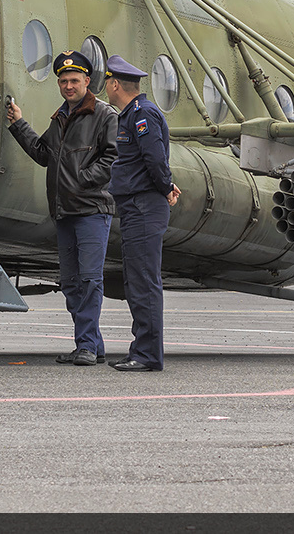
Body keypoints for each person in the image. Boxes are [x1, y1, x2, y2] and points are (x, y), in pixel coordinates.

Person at [6, 50, 118, 366]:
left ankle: (85, 344)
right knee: (70, 282)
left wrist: (82, 179)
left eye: (74, 80)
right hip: (65, 212)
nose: (69, 86)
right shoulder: (60, 119)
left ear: (87, 81)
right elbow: (44, 154)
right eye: (63, 81)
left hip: (92, 210)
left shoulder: (105, 116)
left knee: (89, 279)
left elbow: (114, 158)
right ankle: (92, 345)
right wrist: (19, 124)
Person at [102, 55, 180, 372]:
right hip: (137, 205)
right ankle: (141, 348)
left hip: (144, 205)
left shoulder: (142, 114)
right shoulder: (131, 114)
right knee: (137, 280)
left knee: (144, 281)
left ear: (115, 83)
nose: (105, 87)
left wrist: (165, 188)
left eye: (107, 81)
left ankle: (147, 354)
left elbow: (154, 158)